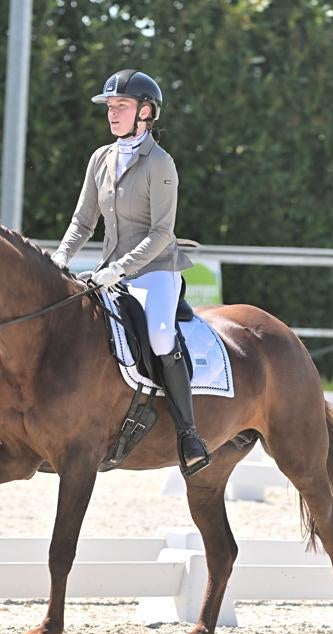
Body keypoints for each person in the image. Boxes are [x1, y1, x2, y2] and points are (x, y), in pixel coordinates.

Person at [51, 69, 211, 477]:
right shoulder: (100, 159)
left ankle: (189, 434)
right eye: (110, 107)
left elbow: (162, 232)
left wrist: (121, 268)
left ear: (146, 112)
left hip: (155, 270)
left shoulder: (160, 163)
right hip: (109, 272)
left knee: (159, 334)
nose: (112, 113)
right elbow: (82, 221)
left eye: (120, 106)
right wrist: (61, 258)